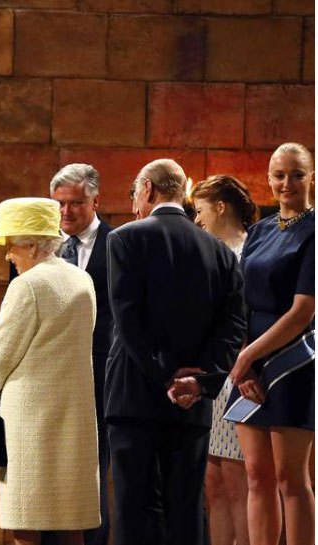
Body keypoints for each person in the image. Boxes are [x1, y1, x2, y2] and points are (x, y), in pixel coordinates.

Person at [106, 159, 247, 545]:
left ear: (148, 189)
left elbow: (129, 320)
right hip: (192, 405)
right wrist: (198, 382)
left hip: (134, 398)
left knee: (135, 510)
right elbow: (233, 326)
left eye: (136, 193)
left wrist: (166, 375)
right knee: (186, 508)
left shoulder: (123, 239)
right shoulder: (219, 252)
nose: (135, 202)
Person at [0, 197, 100, 545]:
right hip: (74, 416)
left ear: (33, 245)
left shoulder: (28, 286)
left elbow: (1, 354)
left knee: (26, 521)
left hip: (30, 421)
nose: (8, 255)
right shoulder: (83, 281)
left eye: (11, 245)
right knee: (71, 521)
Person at [222, 143, 315, 545]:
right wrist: (244, 366)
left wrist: (247, 356)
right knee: (257, 475)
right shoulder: (260, 229)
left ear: (312, 177)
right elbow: (239, 300)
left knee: (290, 478)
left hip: (292, 362)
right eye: (279, 175)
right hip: (251, 366)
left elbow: (303, 311)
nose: (286, 183)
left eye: (296, 174)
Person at [191, 174, 259, 545]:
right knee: (213, 485)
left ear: (221, 207)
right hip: (212, 379)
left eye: (201, 210)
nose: (197, 220)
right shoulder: (209, 253)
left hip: (239, 375)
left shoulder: (249, 252)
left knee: (238, 484)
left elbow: (245, 318)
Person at [48, 164, 113, 545]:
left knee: (95, 470)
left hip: (102, 374)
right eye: (59, 204)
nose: (66, 212)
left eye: (75, 203)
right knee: (53, 468)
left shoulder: (118, 243)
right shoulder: (43, 247)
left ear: (95, 200)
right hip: (51, 377)